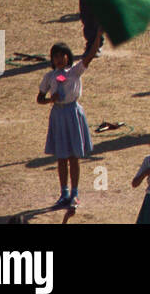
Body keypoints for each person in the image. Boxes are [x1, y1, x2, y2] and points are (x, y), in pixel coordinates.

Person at [37, 34, 102, 209]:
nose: (58, 59)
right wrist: (51, 100)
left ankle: (75, 193)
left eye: (61, 55)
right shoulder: (49, 77)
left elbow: (91, 54)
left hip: (73, 113)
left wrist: (98, 36)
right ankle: (64, 192)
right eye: (55, 56)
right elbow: (39, 98)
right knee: (61, 156)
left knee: (73, 156)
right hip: (58, 115)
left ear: (68, 56)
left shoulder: (75, 71)